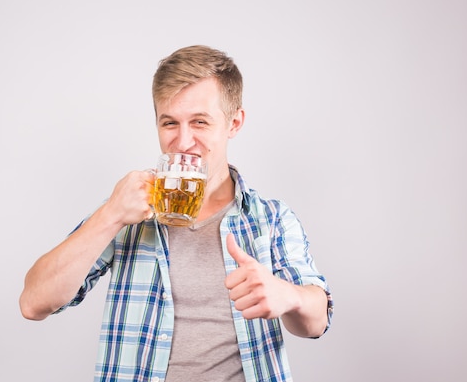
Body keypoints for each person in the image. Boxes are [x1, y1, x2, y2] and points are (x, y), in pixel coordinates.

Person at [19, 45, 333, 382]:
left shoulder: (270, 219)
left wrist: (288, 296)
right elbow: (34, 303)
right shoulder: (125, 214)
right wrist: (110, 214)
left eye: (200, 122)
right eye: (170, 123)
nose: (183, 142)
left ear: (234, 122)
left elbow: (316, 321)